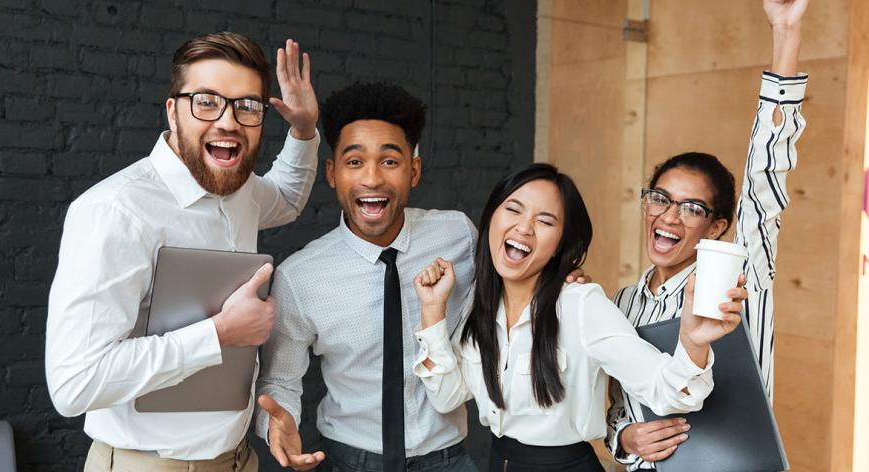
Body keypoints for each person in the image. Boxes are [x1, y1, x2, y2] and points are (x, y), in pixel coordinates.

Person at [46, 32, 320, 471]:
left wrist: (303, 130)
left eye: (246, 106)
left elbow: (287, 198)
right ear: (173, 111)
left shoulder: (242, 191)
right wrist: (220, 333)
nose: (228, 122)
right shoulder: (114, 212)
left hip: (238, 461)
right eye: (207, 101)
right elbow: (74, 384)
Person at [411, 163, 747, 471]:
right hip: (500, 462)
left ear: (559, 243)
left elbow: (667, 391)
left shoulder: (582, 305)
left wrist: (692, 343)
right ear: (491, 219)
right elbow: (446, 396)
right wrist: (432, 311)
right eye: (513, 210)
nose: (524, 228)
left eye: (544, 221)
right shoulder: (479, 303)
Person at [604, 0, 809, 469]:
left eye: (692, 208)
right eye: (660, 198)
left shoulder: (738, 282)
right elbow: (618, 410)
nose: (669, 217)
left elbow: (766, 178)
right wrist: (625, 439)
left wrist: (785, 34)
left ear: (718, 226)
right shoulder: (622, 303)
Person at [254, 81, 480, 472]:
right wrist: (277, 422)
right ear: (332, 173)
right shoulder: (299, 277)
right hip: (349, 462)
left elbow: (514, 289)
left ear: (414, 170)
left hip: (448, 460)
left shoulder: (459, 236)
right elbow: (281, 381)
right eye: (354, 161)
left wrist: (564, 277)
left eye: (390, 161)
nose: (372, 179)